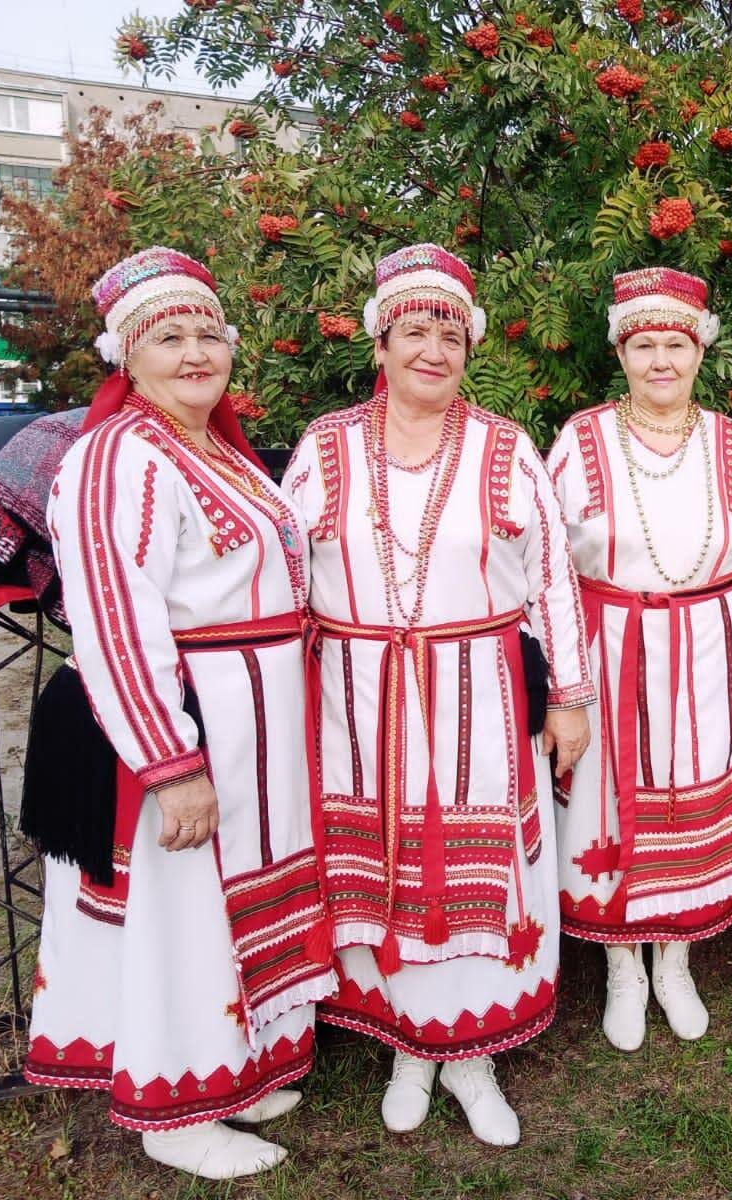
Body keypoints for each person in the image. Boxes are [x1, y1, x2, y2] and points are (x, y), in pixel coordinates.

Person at [26, 248, 334, 1179]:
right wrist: (171, 763)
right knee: (183, 909)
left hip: (256, 720)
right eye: (169, 337)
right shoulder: (115, 457)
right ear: (126, 355)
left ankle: (242, 1060)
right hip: (188, 719)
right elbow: (117, 619)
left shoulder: (212, 451)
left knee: (240, 897)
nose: (195, 351)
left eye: (207, 332)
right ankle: (177, 1104)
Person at [283, 244, 593, 1145]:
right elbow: (279, 573)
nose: (432, 350)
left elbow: (553, 581)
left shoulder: (507, 447)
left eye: (449, 335)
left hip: (479, 696)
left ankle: (471, 1053)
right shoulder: (325, 446)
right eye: (413, 331)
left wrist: (568, 695)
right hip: (357, 696)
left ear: (469, 350)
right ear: (379, 344)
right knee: (383, 865)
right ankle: (409, 1045)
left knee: (475, 872)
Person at [547, 267, 732, 1052]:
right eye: (643, 344)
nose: (660, 361)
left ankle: (675, 960)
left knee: (690, 790)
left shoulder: (731, 441)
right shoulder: (580, 439)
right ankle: (622, 966)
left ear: (698, 352)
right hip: (609, 640)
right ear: (620, 354)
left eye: (675, 345)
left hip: (708, 641)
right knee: (612, 798)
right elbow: (545, 559)